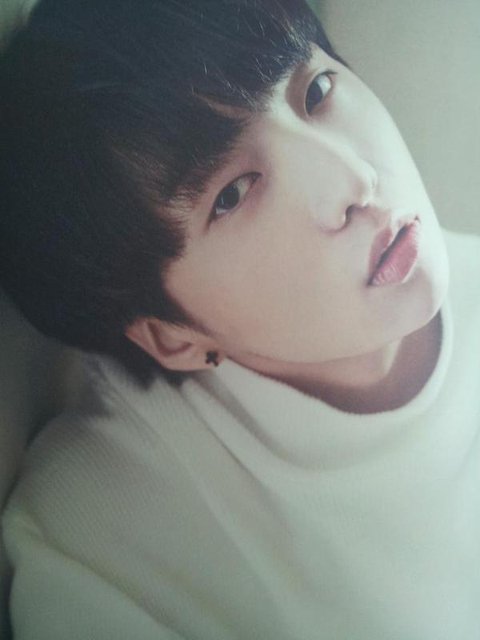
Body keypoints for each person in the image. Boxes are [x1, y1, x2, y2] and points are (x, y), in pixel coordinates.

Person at [1, 0, 479, 638]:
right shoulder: (101, 543)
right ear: (171, 335)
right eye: (232, 193)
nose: (356, 180)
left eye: (317, 91)